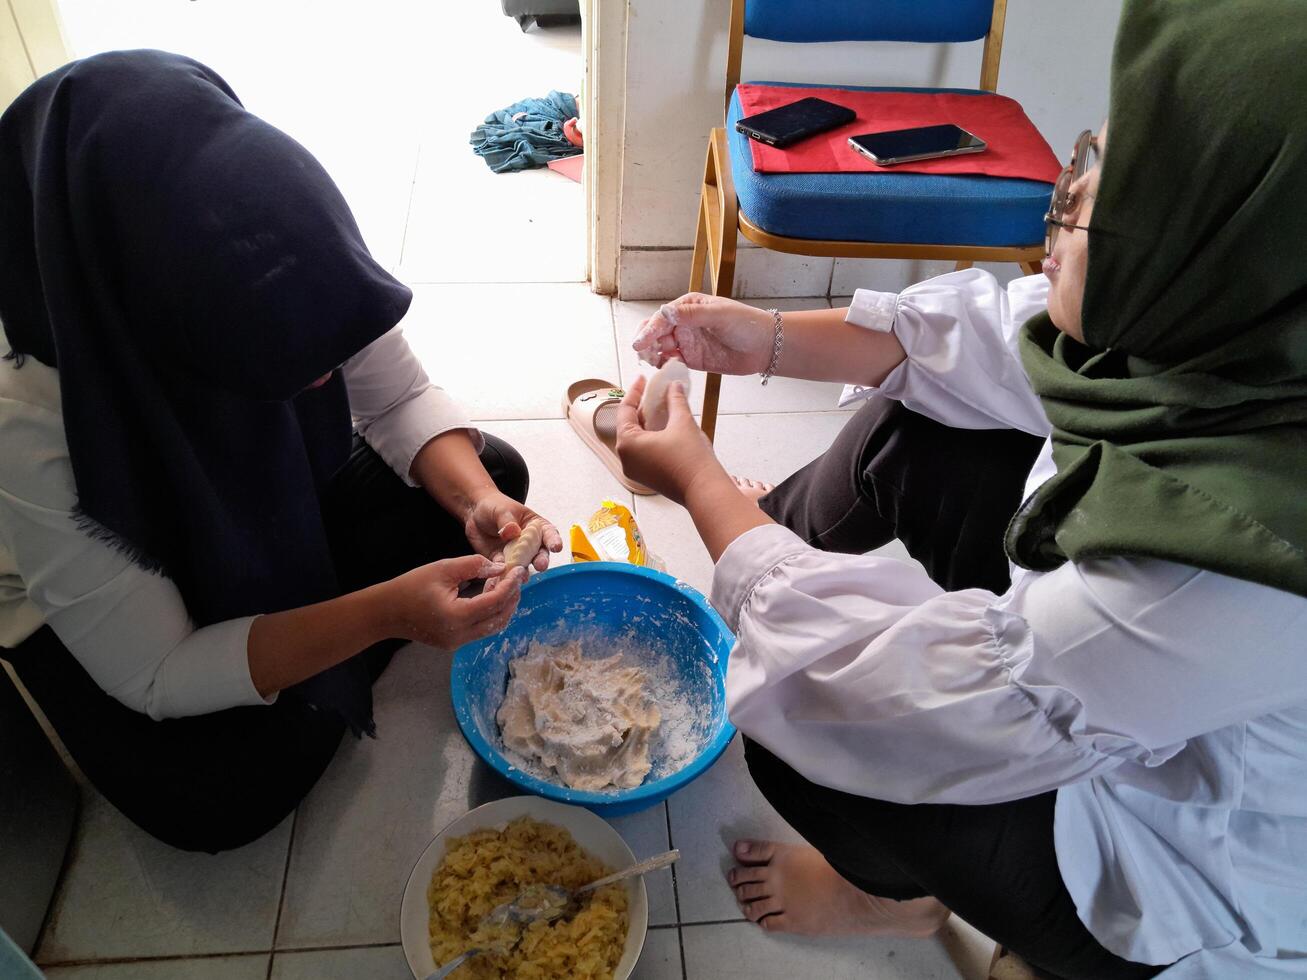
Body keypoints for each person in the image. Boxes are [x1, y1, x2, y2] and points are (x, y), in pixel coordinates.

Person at [616, 1, 1307, 976]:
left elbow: (874, 700)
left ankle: (900, 902)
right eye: (1087, 156)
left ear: (1220, 239)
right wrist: (763, 336)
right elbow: (1005, 331)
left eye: (1102, 193)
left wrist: (699, 486)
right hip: (1114, 686)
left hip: (1183, 866)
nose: (1061, 204)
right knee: (915, 430)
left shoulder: (1225, 566)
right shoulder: (1247, 328)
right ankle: (767, 555)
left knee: (793, 735)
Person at [0, 51, 561, 854]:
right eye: (288, 370)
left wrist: (479, 502)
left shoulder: (262, 235)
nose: (328, 377)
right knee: (223, 798)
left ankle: (305, 648)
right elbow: (155, 669)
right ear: (162, 337)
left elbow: (395, 397)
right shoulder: (25, 413)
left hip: (266, 504)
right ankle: (317, 651)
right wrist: (388, 613)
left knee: (489, 472)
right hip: (110, 598)